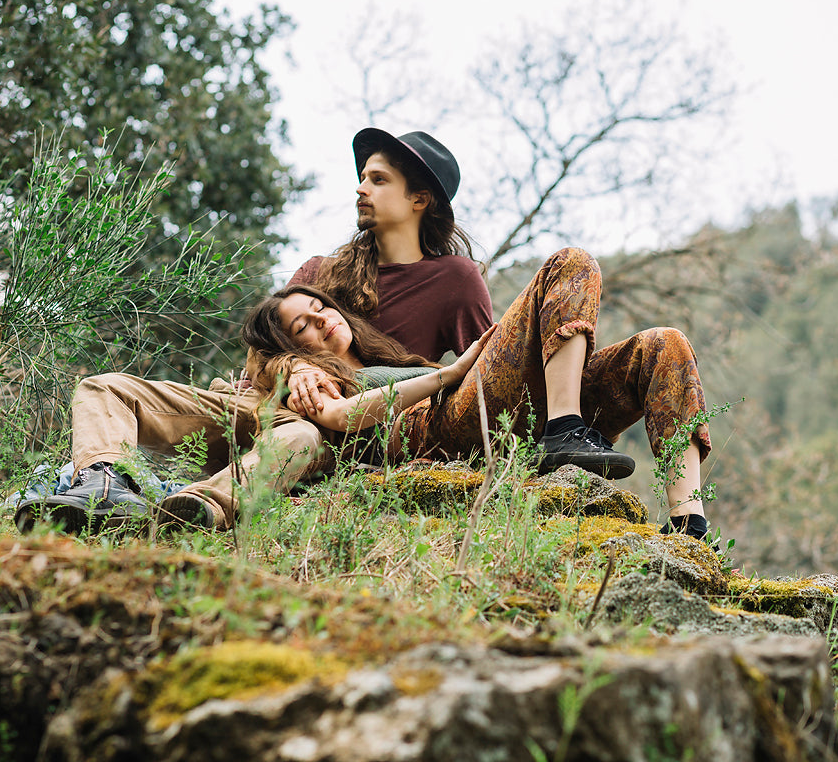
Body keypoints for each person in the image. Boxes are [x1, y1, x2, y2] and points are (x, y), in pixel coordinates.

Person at [284, 128, 715, 539]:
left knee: (664, 344)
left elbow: (493, 371)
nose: (361, 189)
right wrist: (294, 366)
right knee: (570, 261)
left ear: (419, 198)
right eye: (362, 178)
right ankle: (564, 429)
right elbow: (263, 346)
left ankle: (688, 524)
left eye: (378, 180)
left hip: (468, 405)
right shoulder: (319, 275)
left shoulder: (456, 279)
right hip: (404, 421)